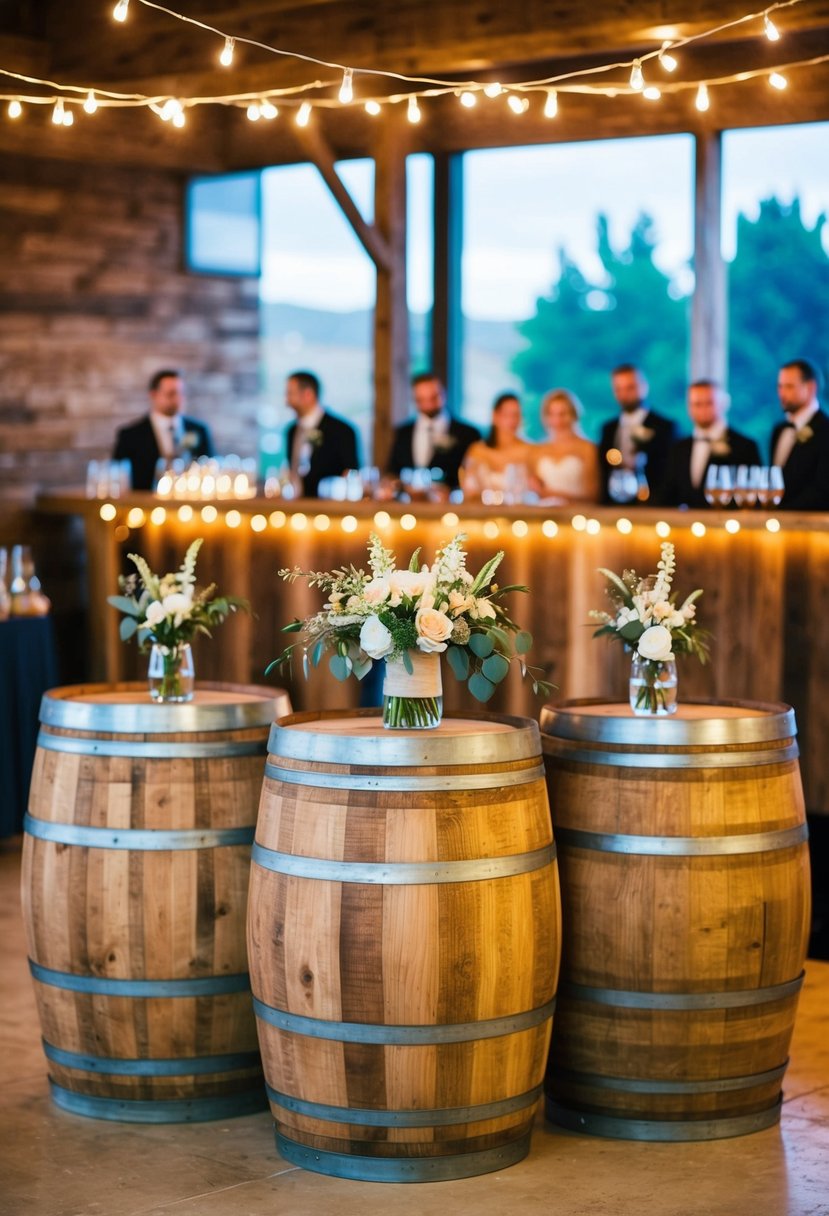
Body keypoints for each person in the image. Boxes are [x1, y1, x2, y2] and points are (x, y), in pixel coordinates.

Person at [656, 380, 760, 509]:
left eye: (709, 403)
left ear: (723, 404)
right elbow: (666, 495)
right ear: (689, 407)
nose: (702, 409)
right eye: (697, 404)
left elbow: (752, 498)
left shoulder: (745, 447)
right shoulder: (678, 449)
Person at [113, 369, 214, 491]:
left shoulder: (198, 430)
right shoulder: (130, 435)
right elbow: (118, 478)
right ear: (154, 395)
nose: (178, 399)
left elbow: (211, 469)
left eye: (181, 393)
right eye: (171, 394)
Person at [386, 372, 480, 491]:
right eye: (421, 399)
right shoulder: (403, 433)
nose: (428, 404)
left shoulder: (467, 433)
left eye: (433, 397)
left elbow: (473, 477)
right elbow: (392, 472)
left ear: (444, 394)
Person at [599, 364, 675, 504]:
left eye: (630, 387)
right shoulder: (608, 428)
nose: (624, 394)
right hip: (613, 505)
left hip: (652, 505)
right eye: (618, 389)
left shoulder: (664, 427)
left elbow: (669, 473)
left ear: (644, 387)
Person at [284, 370, 359, 498]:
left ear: (308, 394)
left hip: (331, 507)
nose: (286, 401)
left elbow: (351, 474)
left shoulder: (341, 430)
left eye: (290, 394)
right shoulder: (291, 431)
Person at [770, 358, 829, 511]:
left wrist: (783, 513)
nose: (782, 393)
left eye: (789, 386)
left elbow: (823, 488)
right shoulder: (779, 430)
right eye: (780, 386)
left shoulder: (825, 429)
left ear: (811, 388)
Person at [460, 392, 535, 500]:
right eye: (507, 415)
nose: (512, 421)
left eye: (516, 415)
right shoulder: (478, 450)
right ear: (495, 416)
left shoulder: (529, 450)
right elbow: (468, 489)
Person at [532, 388, 600, 503]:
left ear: (574, 415)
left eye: (562, 414)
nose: (557, 421)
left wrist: (550, 495)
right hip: (544, 515)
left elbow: (594, 496)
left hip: (578, 516)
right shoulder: (539, 450)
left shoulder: (588, 448)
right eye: (552, 414)